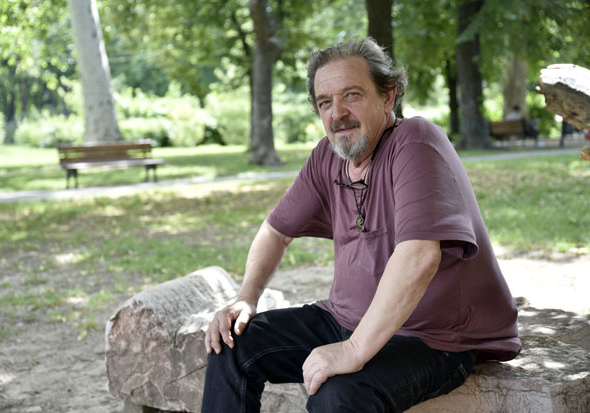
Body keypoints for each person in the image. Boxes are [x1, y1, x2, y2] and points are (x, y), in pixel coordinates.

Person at [202, 37, 521, 412]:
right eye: (325, 102)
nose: (337, 113)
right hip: (343, 319)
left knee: (338, 395)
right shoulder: (327, 157)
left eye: (351, 95)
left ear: (388, 95)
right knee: (232, 344)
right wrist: (246, 297)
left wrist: (353, 350)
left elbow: (419, 256)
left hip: (433, 338)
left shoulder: (416, 141)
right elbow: (276, 230)